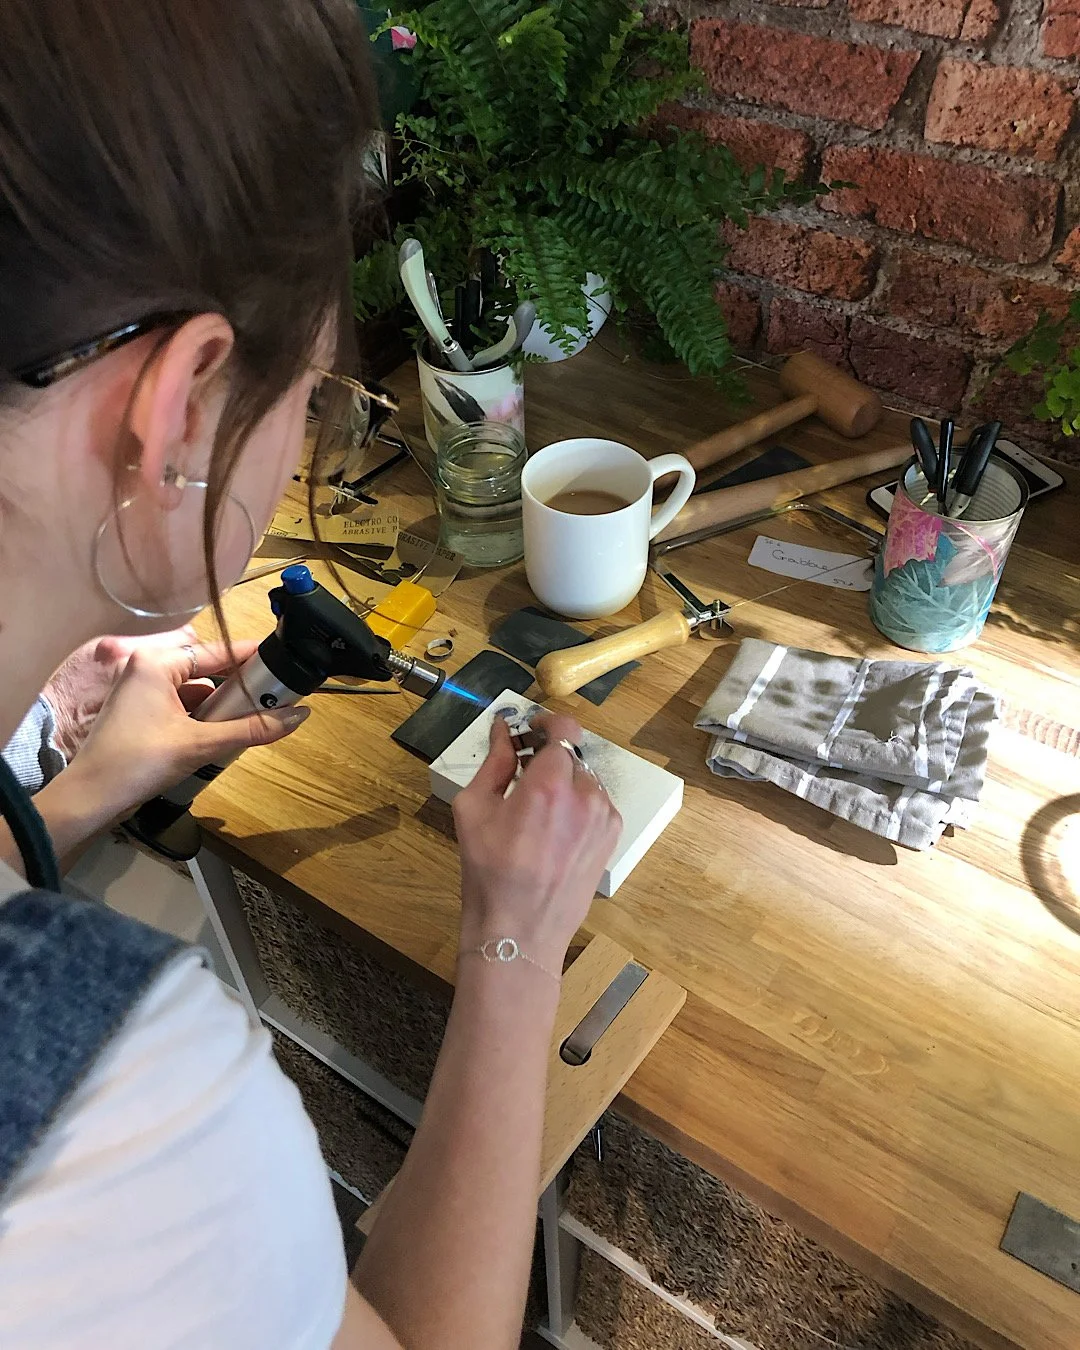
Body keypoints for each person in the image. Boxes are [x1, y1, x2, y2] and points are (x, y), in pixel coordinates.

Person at [0, 4, 621, 1349]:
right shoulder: (121, 1119)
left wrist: (67, 788)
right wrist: (515, 944)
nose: (311, 429)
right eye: (320, 393)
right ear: (180, 405)